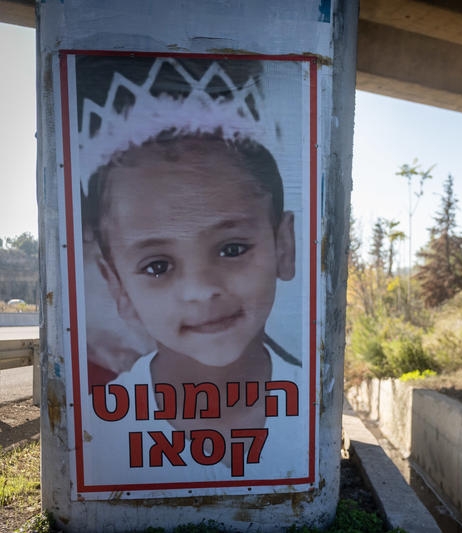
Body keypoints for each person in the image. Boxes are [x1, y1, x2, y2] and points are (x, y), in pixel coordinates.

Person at [74, 56, 309, 491]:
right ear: (116, 284)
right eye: (158, 266)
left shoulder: (313, 409)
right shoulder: (96, 430)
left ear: (284, 246)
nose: (201, 290)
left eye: (232, 248)